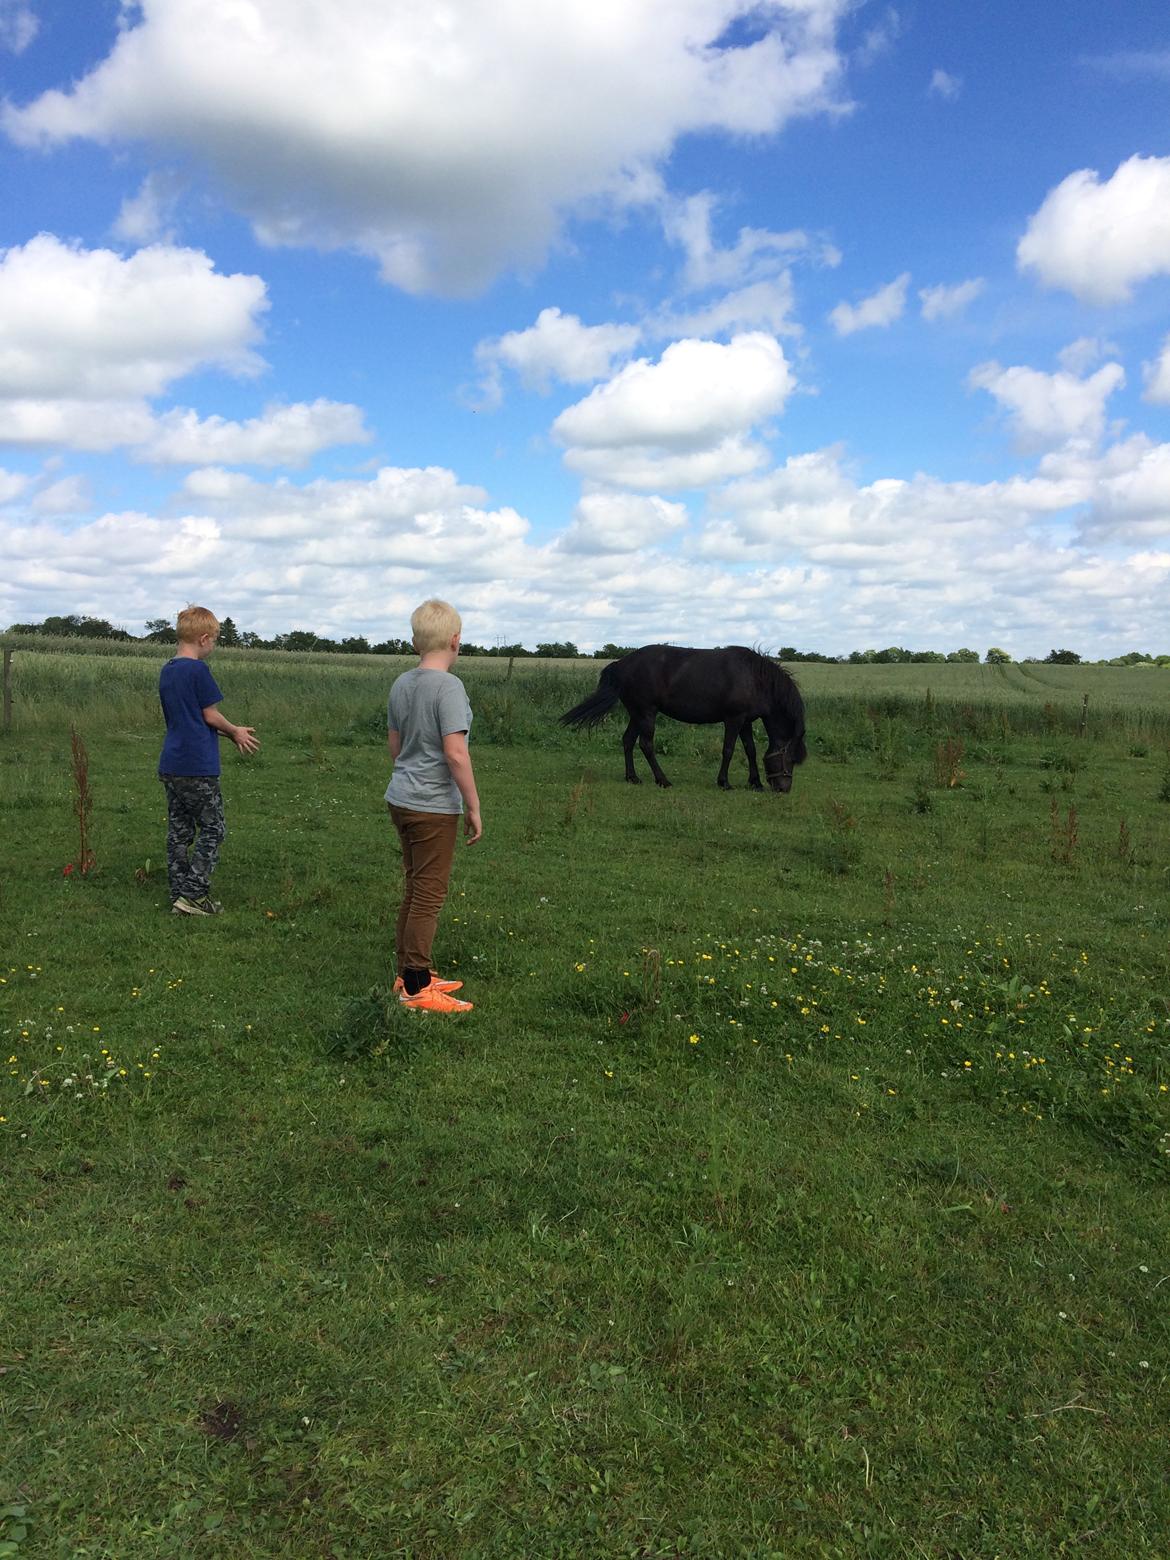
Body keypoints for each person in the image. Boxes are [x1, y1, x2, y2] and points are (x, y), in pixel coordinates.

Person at [386, 599, 482, 1012]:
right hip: (433, 807)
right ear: (456, 640)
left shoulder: (401, 684)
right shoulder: (449, 687)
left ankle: (409, 975)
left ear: (415, 642)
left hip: (401, 798)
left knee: (415, 886)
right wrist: (474, 807)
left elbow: (395, 746)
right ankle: (416, 989)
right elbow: (455, 754)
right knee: (428, 893)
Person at [158, 605, 259, 915]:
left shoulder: (168, 669)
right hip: (197, 765)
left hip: (171, 763)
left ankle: (179, 892)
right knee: (213, 829)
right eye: (214, 639)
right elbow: (209, 715)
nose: (214, 645)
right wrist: (235, 732)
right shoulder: (197, 670)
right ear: (203, 638)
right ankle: (193, 894)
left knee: (180, 830)